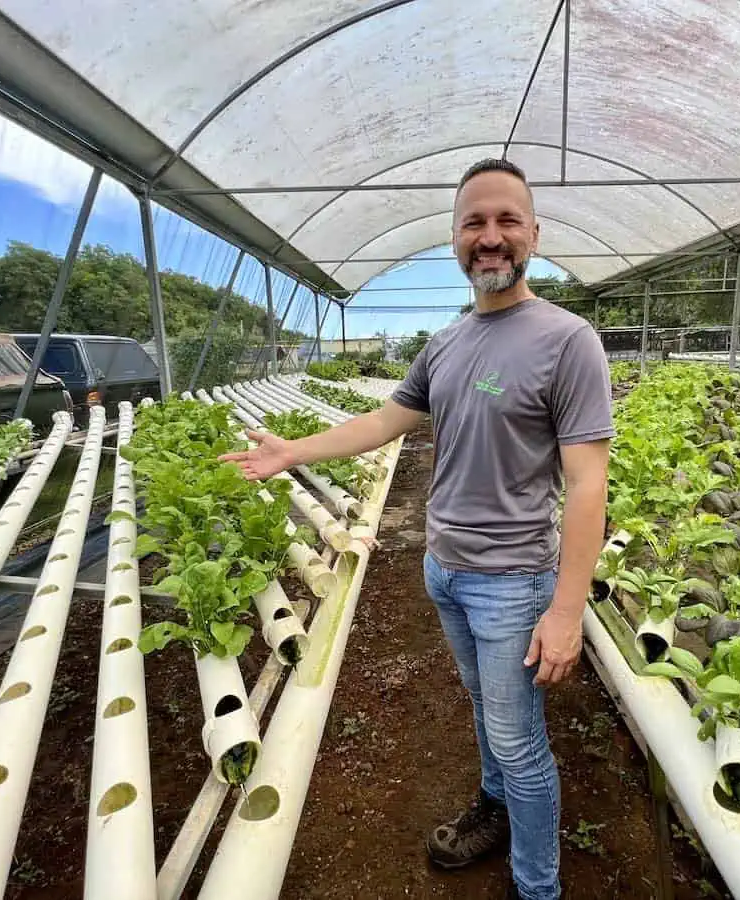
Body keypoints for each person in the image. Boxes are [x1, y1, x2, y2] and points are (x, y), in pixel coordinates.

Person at [222, 157, 613, 900]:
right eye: (474, 222)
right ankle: (494, 812)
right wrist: (291, 451)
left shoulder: (567, 340)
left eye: (506, 220)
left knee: (520, 741)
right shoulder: (448, 342)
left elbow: (589, 483)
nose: (490, 236)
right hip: (446, 571)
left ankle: (538, 888)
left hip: (513, 581)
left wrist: (567, 611)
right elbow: (383, 420)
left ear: (534, 232)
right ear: (455, 239)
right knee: (488, 713)